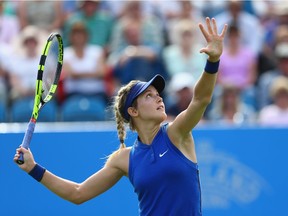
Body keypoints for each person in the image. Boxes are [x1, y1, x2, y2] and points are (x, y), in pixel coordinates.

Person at [14, 17, 227, 216]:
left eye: (158, 94)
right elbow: (78, 193)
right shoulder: (123, 159)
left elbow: (200, 100)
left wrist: (213, 62)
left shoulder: (177, 133)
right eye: (149, 96)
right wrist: (34, 168)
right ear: (133, 111)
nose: (159, 99)